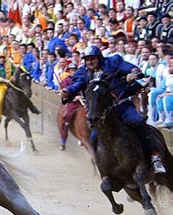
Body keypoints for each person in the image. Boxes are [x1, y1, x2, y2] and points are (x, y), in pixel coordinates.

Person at [61, 46, 167, 174]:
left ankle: (154, 157)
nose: (89, 62)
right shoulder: (82, 72)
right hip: (102, 114)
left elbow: (132, 68)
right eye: (87, 60)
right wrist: (68, 91)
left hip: (122, 106)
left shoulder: (113, 61)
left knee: (138, 122)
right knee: (94, 137)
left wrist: (133, 74)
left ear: (99, 58)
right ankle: (103, 168)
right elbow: (76, 84)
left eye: (92, 59)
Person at [59, 63, 81, 151]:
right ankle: (63, 140)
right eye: (72, 70)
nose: (73, 72)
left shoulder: (80, 79)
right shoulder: (66, 81)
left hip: (82, 101)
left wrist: (82, 96)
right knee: (68, 115)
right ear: (69, 71)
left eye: (75, 70)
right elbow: (63, 92)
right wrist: (73, 97)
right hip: (72, 102)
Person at [0, 52, 16, 125]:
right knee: (0, 99)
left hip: (11, 84)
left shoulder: (9, 64)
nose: (2, 59)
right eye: (0, 58)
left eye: (3, 58)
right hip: (1, 86)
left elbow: (15, 71)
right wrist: (5, 80)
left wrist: (13, 76)